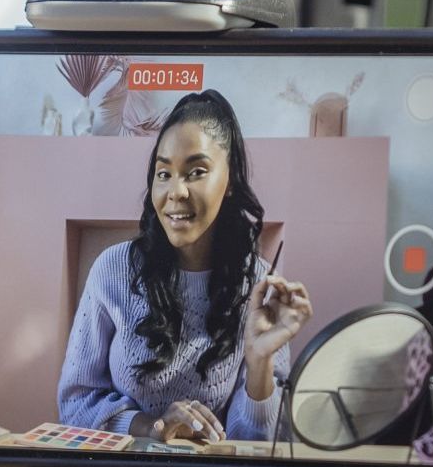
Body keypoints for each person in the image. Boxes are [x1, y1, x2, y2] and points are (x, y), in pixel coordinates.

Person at [58, 90, 313, 444]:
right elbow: (74, 403)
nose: (175, 191)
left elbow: (256, 442)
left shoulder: (258, 285)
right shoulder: (112, 270)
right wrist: (153, 426)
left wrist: (259, 360)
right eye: (164, 173)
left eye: (196, 171)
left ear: (229, 180)